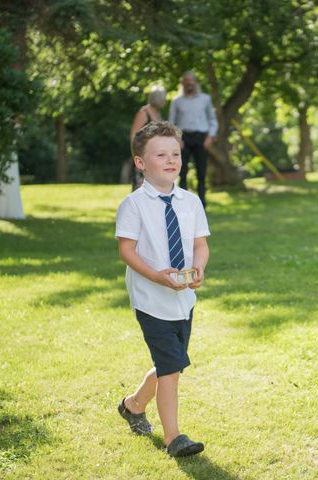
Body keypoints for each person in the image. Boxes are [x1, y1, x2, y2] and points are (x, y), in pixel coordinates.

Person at [115, 121, 211, 458]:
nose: (171, 160)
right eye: (160, 155)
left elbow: (201, 244)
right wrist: (157, 276)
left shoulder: (191, 202)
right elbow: (127, 251)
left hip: (183, 298)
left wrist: (199, 268)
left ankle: (133, 404)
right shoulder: (134, 205)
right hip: (151, 298)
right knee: (171, 366)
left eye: (175, 154)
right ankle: (174, 438)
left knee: (172, 362)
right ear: (141, 163)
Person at [168, 72, 218, 208]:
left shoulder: (205, 99)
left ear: (196, 82)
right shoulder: (176, 101)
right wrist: (177, 140)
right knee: (181, 171)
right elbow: (171, 123)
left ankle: (202, 203)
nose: (189, 83)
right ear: (182, 83)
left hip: (201, 138)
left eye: (191, 80)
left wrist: (210, 137)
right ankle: (181, 202)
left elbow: (212, 120)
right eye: (186, 81)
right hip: (183, 139)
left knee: (201, 172)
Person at [126, 86, 167, 190]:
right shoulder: (143, 113)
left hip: (156, 155)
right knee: (140, 185)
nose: (165, 100)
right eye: (164, 98)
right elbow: (133, 135)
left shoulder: (157, 113)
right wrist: (136, 154)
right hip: (144, 154)